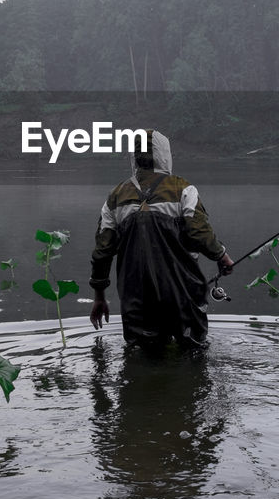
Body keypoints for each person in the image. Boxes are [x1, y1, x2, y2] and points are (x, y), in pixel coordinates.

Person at [88, 129, 234, 350]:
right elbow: (198, 233)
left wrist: (99, 297)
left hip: (135, 297)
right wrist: (221, 255)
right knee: (192, 353)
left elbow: (102, 252)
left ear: (134, 157)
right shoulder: (184, 189)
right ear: (165, 154)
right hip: (182, 294)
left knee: (141, 355)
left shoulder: (115, 197)